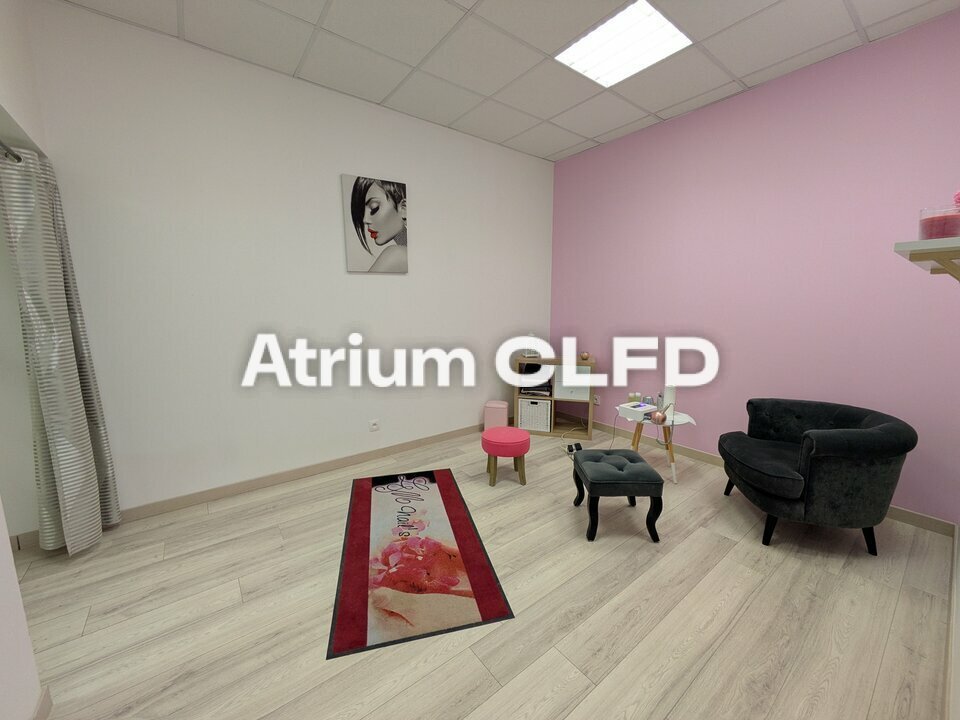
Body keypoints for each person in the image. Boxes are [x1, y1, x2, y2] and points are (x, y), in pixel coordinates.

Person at [350, 176, 407, 273]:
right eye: (362, 212)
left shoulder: (397, 255)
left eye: (374, 208)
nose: (365, 220)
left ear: (403, 208)